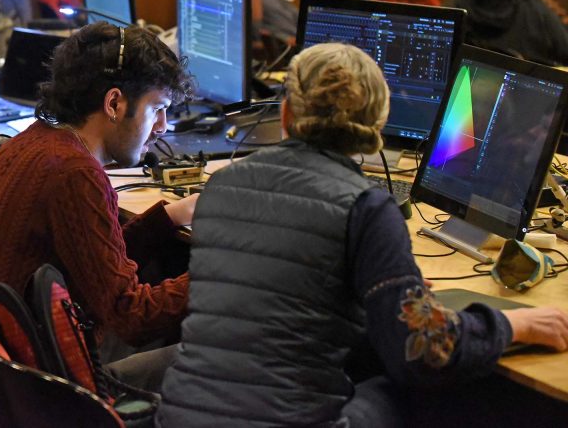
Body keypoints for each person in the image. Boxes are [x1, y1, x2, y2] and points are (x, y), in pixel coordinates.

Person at [158, 42, 568, 427]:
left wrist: (376, 285)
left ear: (285, 116)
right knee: (441, 392)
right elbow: (423, 352)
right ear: (377, 124)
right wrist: (516, 325)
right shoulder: (365, 207)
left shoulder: (220, 186)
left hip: (181, 415)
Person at [0, 22, 196, 354]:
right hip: (39, 390)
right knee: (204, 361)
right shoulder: (74, 174)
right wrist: (227, 274)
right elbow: (132, 316)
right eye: (158, 109)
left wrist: (172, 217)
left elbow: (93, 262)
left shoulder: (30, 143)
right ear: (114, 104)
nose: (163, 127)